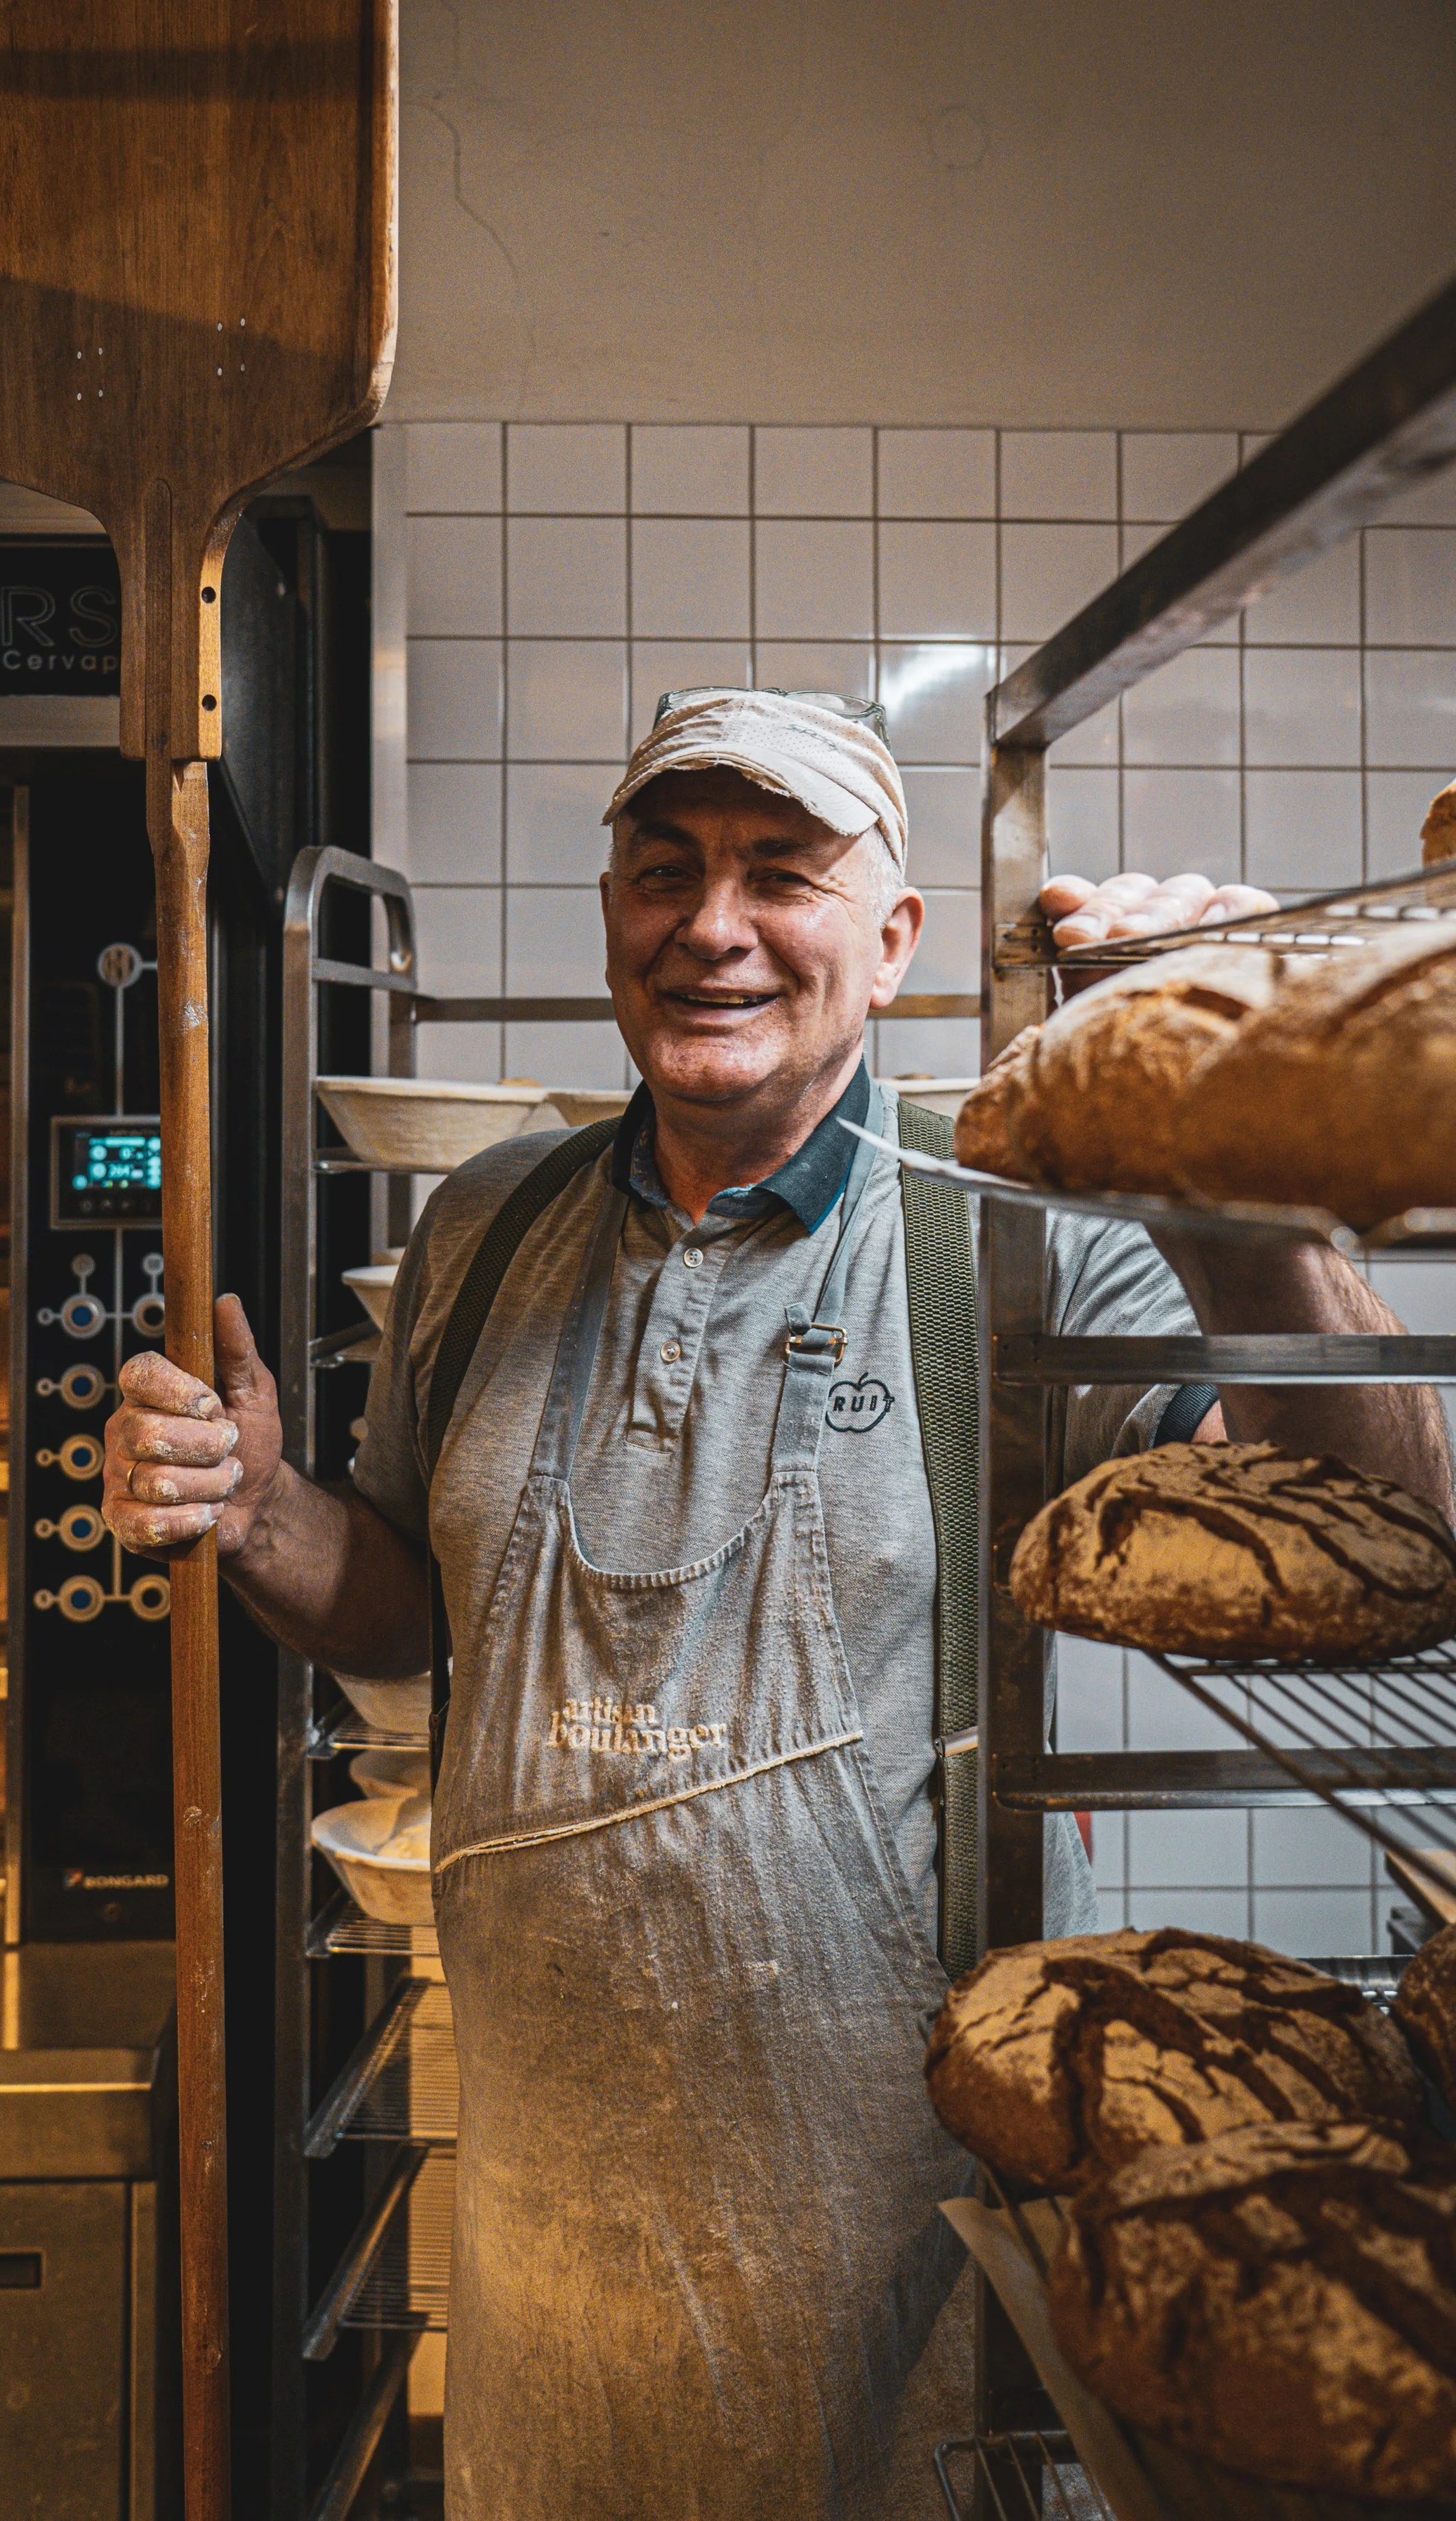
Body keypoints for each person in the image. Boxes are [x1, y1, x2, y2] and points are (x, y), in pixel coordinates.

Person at [102, 689, 1452, 2519]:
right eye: (663, 870)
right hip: (547, 2269)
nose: (711, 922)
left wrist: (1228, 1178)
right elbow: (414, 1610)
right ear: (610, 915)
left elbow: (1375, 1514)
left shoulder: (1007, 1227)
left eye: (780, 872)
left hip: (898, 2271)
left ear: (892, 936)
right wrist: (261, 1513)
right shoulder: (483, 1229)